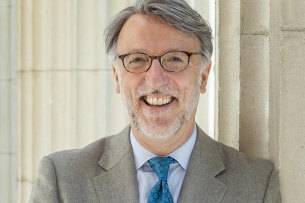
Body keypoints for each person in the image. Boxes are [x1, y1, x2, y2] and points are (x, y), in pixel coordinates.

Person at [29, 0, 281, 202]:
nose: (156, 80)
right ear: (117, 76)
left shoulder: (256, 184)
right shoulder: (63, 180)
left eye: (175, 59)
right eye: (137, 59)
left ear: (203, 76)